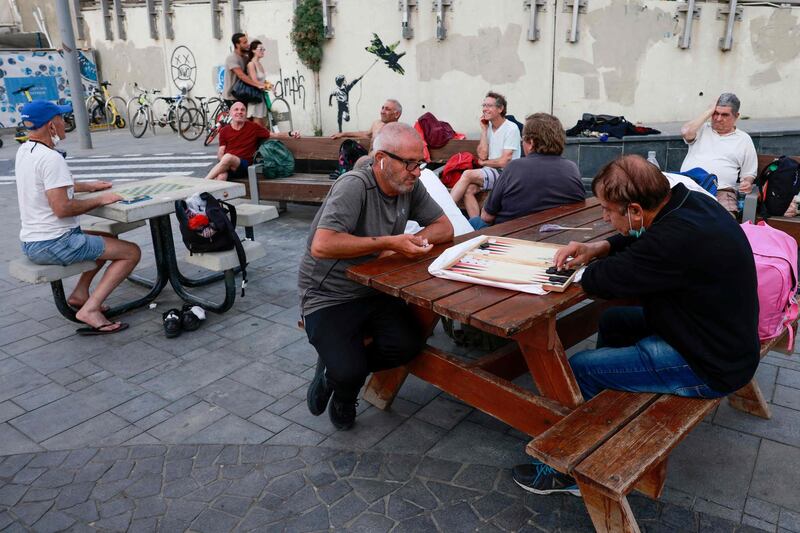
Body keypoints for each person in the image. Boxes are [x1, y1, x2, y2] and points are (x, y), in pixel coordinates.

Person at [511, 155, 759, 496]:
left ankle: (569, 471)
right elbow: (643, 242)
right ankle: (602, 415)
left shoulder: (672, 241)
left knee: (578, 368)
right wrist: (601, 245)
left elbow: (603, 281)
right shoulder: (689, 200)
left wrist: (589, 264)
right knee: (613, 320)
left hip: (709, 363)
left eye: (608, 210)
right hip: (722, 336)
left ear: (636, 210)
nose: (604, 217)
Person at [298, 123, 454, 430]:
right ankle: (343, 388)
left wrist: (411, 242)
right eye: (410, 163)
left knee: (408, 346)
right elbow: (322, 244)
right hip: (328, 293)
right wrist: (388, 243)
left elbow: (444, 227)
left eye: (419, 163)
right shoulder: (354, 185)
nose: (417, 171)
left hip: (375, 288)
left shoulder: (408, 183)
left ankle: (337, 369)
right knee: (349, 371)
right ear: (381, 159)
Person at [15, 101, 141, 335]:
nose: (66, 123)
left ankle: (81, 294)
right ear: (52, 125)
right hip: (56, 243)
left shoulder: (25, 151)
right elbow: (62, 208)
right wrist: (100, 199)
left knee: (104, 237)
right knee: (131, 252)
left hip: (33, 242)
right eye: (62, 119)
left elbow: (48, 184)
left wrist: (88, 186)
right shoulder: (52, 159)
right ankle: (90, 310)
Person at [469, 113, 584, 230]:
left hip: (511, 237)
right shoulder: (572, 168)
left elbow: (486, 216)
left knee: (472, 222)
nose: (522, 143)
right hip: (557, 234)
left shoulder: (514, 167)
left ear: (531, 143)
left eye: (523, 139)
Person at [680, 93, 758, 216]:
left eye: (725, 115)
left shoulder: (743, 139)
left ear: (736, 116)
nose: (718, 118)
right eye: (715, 113)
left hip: (721, 192)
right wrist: (708, 111)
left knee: (723, 225)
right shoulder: (701, 129)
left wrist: (747, 182)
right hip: (689, 187)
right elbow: (685, 132)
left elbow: (748, 173)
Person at [450, 91, 521, 218]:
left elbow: (504, 162)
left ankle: (445, 210)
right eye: (483, 105)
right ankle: (476, 226)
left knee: (467, 174)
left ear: (500, 109)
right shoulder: (488, 128)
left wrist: (484, 163)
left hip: (506, 174)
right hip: (491, 172)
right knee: (469, 190)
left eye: (489, 106)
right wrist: (484, 130)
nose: (484, 109)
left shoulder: (511, 128)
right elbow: (482, 155)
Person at [204, 101, 300, 181]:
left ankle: (203, 182)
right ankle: (216, 203)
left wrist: (290, 133)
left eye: (242, 110)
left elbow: (273, 134)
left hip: (245, 166)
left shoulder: (253, 127)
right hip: (229, 166)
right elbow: (221, 152)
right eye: (236, 109)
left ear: (246, 113)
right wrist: (225, 164)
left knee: (228, 157)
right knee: (221, 176)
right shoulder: (224, 130)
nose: (240, 112)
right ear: (230, 113)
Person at [330, 99, 402, 147]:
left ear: (397, 114)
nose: (382, 112)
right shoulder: (376, 124)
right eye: (382, 108)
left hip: (384, 165)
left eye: (387, 109)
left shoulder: (400, 131)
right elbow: (366, 134)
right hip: (369, 162)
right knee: (347, 146)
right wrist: (343, 134)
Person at [221, 33, 268, 107]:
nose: (247, 44)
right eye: (244, 42)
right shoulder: (232, 58)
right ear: (237, 45)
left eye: (247, 41)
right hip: (231, 96)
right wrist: (258, 85)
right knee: (238, 117)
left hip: (243, 93)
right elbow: (241, 75)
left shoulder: (245, 58)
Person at [246, 40, 272, 128]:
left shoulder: (259, 64)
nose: (263, 51)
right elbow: (254, 81)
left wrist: (270, 85)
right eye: (260, 49)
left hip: (262, 96)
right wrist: (267, 86)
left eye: (263, 49)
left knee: (263, 124)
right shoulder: (251, 64)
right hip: (255, 97)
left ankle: (264, 141)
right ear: (253, 50)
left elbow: (262, 81)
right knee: (257, 125)